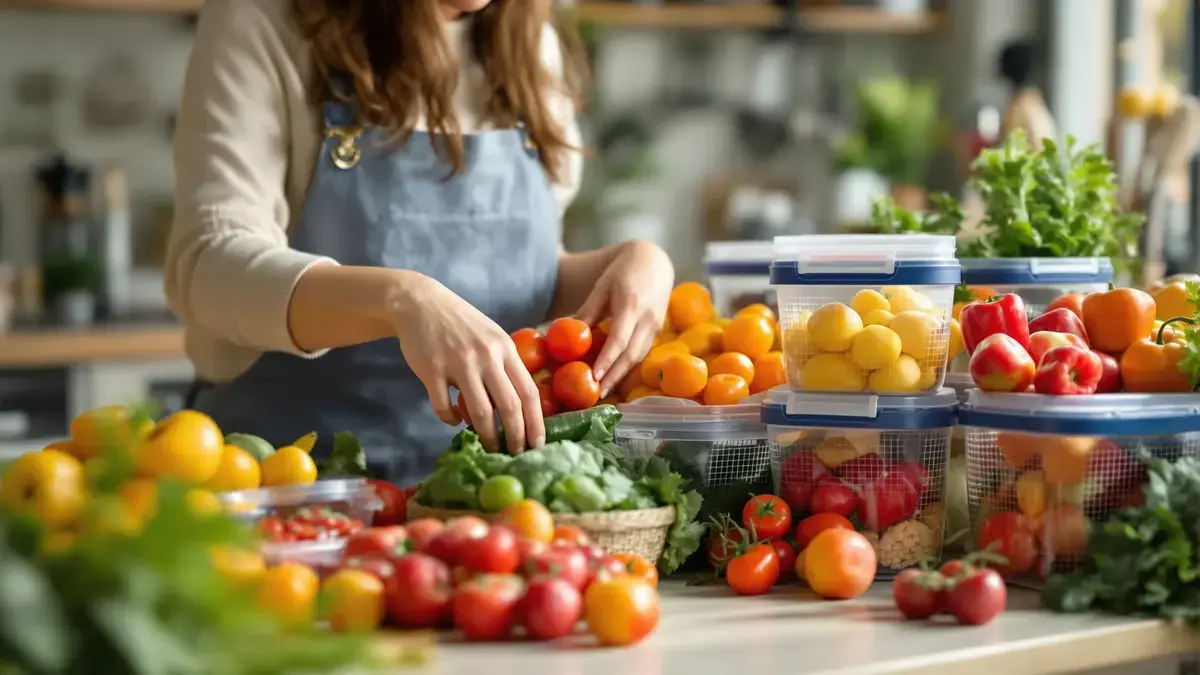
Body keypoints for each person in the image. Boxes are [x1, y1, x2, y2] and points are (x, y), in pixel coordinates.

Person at [166, 0, 674, 484]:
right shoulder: (264, 20)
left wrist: (634, 261)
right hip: (287, 486)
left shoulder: (526, 40)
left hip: (478, 503)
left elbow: (523, 274)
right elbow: (207, 264)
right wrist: (401, 300)